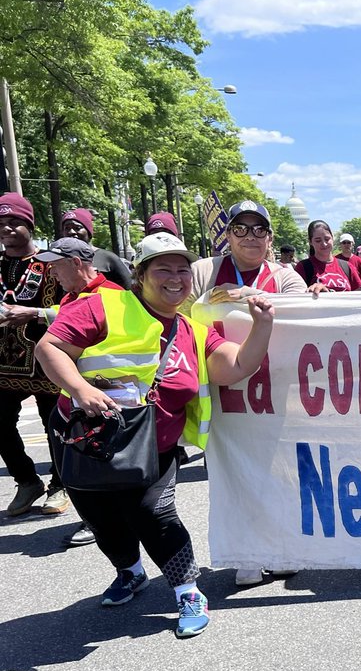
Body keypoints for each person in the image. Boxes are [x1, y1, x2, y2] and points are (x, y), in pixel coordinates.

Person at [35, 232, 275, 637]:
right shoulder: (104, 305)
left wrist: (262, 324)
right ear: (141, 274)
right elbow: (50, 348)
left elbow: (234, 367)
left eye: (183, 269)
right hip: (86, 440)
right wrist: (82, 389)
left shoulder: (194, 331)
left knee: (155, 515)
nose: (175, 277)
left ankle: (187, 591)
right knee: (100, 517)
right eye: (163, 268)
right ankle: (130, 573)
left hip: (155, 447)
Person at [34, 237, 127, 543]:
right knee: (76, 471)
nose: (52, 274)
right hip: (72, 403)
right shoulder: (74, 297)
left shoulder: (108, 297)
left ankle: (103, 523)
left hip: (99, 403)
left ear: (76, 263)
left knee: (96, 473)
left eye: (56, 266)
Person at [0, 193, 67, 518]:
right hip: (3, 363)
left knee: (54, 424)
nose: (7, 229)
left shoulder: (51, 264)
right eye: (1, 224)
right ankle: (26, 480)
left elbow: (73, 308)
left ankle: (60, 482)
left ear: (29, 224)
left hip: (46, 357)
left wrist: (34, 313)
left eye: (14, 222)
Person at [189, 200, 307, 310]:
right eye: (240, 229)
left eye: (259, 230)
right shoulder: (201, 272)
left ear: (270, 238)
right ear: (228, 235)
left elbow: (296, 311)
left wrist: (245, 294)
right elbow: (181, 321)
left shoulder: (287, 278)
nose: (250, 237)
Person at [59, 207, 134, 290]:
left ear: (89, 232)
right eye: (67, 228)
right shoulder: (59, 261)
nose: (71, 232)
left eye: (77, 228)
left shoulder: (108, 258)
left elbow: (129, 289)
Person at [295, 221, 361, 293]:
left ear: (332, 238)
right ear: (310, 242)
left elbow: (358, 297)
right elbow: (296, 297)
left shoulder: (347, 267)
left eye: (327, 239)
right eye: (318, 240)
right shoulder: (303, 267)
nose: (324, 244)